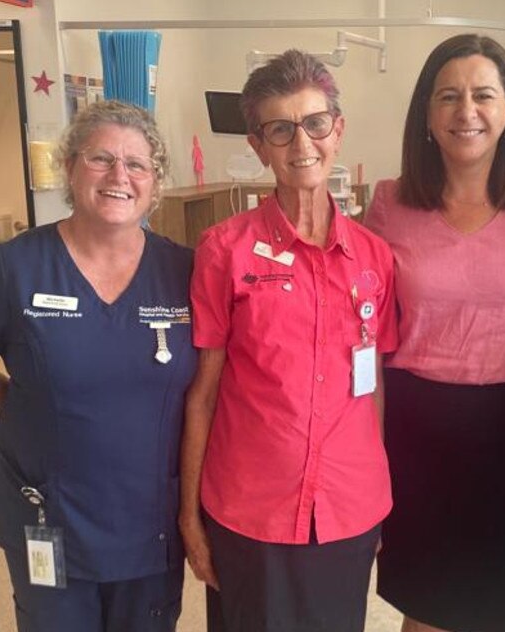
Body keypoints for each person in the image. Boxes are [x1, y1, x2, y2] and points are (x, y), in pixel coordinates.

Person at [0, 100, 193, 632]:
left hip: (150, 521)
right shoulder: (12, 267)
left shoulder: (185, 271)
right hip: (47, 515)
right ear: (70, 168)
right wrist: (33, 398)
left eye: (137, 164)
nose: (120, 175)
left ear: (154, 182)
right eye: (101, 158)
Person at [364, 33, 505, 632]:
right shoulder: (389, 202)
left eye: (484, 95)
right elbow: (361, 320)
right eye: (449, 96)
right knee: (427, 605)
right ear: (427, 115)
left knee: (501, 606)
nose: (467, 112)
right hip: (415, 425)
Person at [180, 50, 399, 632]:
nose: (302, 143)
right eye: (280, 129)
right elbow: (202, 393)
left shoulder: (375, 257)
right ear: (258, 145)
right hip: (251, 509)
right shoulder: (224, 249)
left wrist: (374, 495)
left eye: (315, 123)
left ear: (338, 130)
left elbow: (371, 384)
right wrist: (189, 515)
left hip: (348, 506)